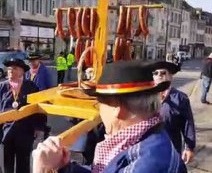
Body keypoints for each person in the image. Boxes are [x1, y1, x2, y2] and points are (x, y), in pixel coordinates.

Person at [32, 61, 187, 173]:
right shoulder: (150, 138)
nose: (99, 111)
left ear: (117, 110)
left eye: (100, 104)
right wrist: (65, 168)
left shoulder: (145, 163)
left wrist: (40, 170)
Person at [0, 58, 46, 173]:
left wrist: (38, 127)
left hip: (25, 132)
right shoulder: (0, 87)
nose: (11, 71)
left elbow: (39, 108)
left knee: (24, 163)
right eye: (9, 69)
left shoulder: (31, 87)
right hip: (5, 131)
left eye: (15, 69)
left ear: (22, 72)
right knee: (6, 164)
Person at [152, 61, 196, 164]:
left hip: (171, 147)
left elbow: (188, 124)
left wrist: (189, 147)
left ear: (170, 76)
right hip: (149, 149)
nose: (159, 76)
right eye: (155, 73)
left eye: (163, 73)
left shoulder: (180, 98)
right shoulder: (146, 96)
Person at [25, 53, 52, 139]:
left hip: (41, 98)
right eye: (30, 61)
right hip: (30, 98)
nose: (32, 63)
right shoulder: (28, 72)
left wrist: (48, 99)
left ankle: (45, 130)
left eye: (34, 61)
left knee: (41, 117)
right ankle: (33, 131)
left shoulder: (45, 71)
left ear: (38, 60)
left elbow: (49, 86)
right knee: (31, 117)